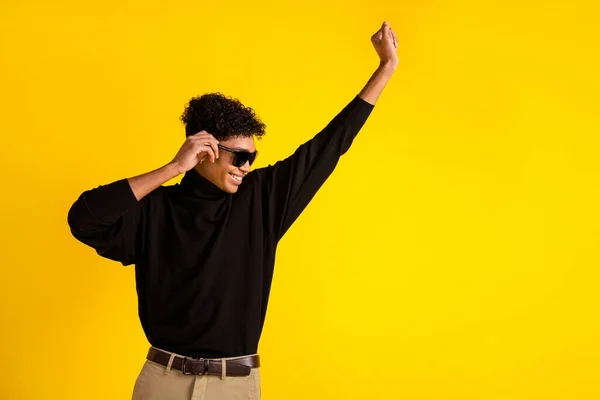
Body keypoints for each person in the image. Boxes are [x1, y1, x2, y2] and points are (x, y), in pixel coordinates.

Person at [67, 21, 398, 400]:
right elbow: (84, 217)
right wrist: (172, 168)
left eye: (252, 158)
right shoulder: (155, 211)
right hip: (164, 382)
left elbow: (329, 146)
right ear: (203, 149)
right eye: (239, 156)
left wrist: (384, 70)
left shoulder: (262, 200)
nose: (246, 166)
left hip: (236, 385)